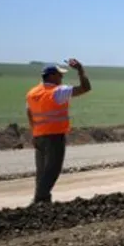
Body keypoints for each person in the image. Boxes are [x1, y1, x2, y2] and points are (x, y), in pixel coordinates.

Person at [26, 59, 91, 204]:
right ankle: (39, 199)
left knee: (42, 172)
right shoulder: (58, 91)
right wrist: (81, 70)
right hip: (54, 137)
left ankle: (44, 202)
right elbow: (85, 88)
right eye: (59, 75)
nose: (61, 78)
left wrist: (34, 132)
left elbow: (29, 112)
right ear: (51, 76)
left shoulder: (32, 93)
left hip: (38, 136)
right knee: (52, 171)